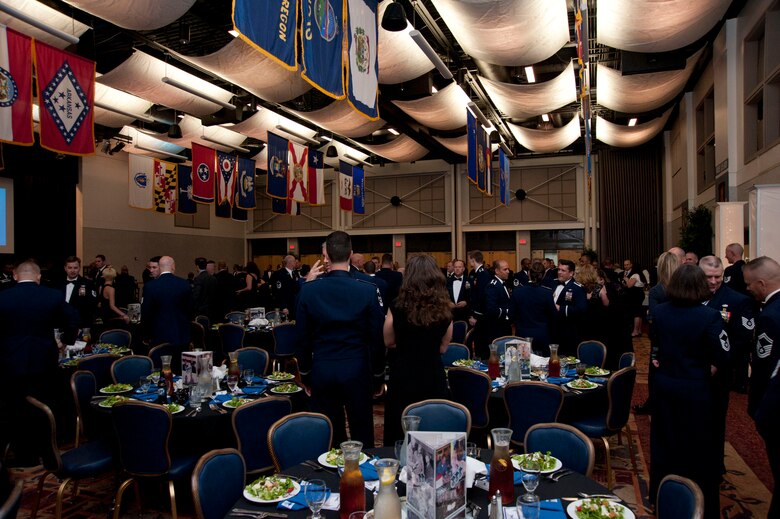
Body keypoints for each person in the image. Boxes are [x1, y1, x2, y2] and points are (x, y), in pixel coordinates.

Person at [649, 265, 729, 518]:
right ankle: (696, 500)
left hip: (665, 384)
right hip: (695, 388)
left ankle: (661, 496)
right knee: (697, 445)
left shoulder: (660, 312)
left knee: (664, 441)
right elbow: (723, 353)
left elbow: (656, 345)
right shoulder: (709, 316)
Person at [295, 231, 384, 447]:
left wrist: (305, 374)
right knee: (362, 432)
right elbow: (376, 338)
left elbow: (302, 338)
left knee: (329, 435)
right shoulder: (368, 290)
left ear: (326, 255)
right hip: (357, 369)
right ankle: (364, 468)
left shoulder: (309, 290)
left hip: (323, 369)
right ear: (350, 254)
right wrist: (378, 375)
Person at [0, 261, 79, 464]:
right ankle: (47, 449)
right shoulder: (52, 295)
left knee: (16, 406)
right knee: (44, 404)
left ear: (15, 276)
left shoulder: (3, 297)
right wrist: (66, 341)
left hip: (11, 361)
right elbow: (73, 318)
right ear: (38, 277)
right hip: (43, 359)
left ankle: (23, 454)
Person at [383, 254, 453, 445]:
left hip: (403, 375)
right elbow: (443, 347)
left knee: (400, 432)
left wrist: (408, 344)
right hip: (432, 375)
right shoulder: (444, 308)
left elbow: (388, 341)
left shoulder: (397, 305)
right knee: (433, 431)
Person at [699, 255, 755, 475]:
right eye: (708, 277)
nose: (713, 282)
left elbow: (742, 340)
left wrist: (718, 363)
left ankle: (714, 466)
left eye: (718, 277)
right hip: (693, 371)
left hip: (719, 373)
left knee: (715, 419)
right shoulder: (691, 296)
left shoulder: (737, 300)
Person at [742, 256, 780, 518]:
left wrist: (757, 409)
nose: (747, 289)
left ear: (762, 284)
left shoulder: (770, 316)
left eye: (749, 284)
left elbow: (763, 367)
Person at [635, 251, 682, 414]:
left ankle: (655, 404)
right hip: (682, 337)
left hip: (661, 339)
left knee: (656, 373)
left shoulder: (657, 291)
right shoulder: (685, 289)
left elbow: (653, 318)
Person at [140, 256, 192, 354]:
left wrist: (146, 336)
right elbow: (190, 309)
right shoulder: (184, 284)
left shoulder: (150, 286)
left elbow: (146, 313)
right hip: (181, 334)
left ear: (160, 267)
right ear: (173, 266)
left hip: (159, 335)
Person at [510, 261, 556, 353]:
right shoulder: (547, 293)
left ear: (529, 274)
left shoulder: (517, 291)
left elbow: (511, 314)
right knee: (543, 361)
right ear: (543, 275)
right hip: (542, 334)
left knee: (523, 361)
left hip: (522, 334)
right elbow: (554, 315)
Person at [553, 259, 587, 357]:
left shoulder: (577, 288)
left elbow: (582, 309)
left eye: (563, 270)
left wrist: (561, 308)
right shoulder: (554, 284)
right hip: (555, 330)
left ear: (571, 273)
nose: (559, 272)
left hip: (569, 332)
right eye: (559, 269)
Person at [481, 259, 512, 348]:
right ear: (497, 271)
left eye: (508, 269)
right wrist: (508, 311)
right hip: (496, 328)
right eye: (505, 269)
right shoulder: (493, 286)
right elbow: (491, 309)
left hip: (504, 326)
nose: (508, 271)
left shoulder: (501, 283)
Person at [59, 255, 96, 328]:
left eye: (75, 268)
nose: (72, 270)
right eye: (70, 268)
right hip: (61, 323)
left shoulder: (88, 284)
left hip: (80, 324)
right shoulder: (58, 284)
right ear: (65, 268)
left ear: (79, 268)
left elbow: (92, 305)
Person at [621, 259, 647, 337]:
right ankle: (639, 330)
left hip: (636, 295)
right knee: (639, 313)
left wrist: (626, 279)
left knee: (636, 313)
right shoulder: (640, 274)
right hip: (638, 294)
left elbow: (629, 285)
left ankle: (635, 331)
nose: (626, 266)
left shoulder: (635, 275)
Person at [192, 256, 218, 320]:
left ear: (197, 266)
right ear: (206, 266)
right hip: (212, 310)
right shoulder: (213, 278)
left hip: (201, 311)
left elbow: (196, 296)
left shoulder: (198, 279)